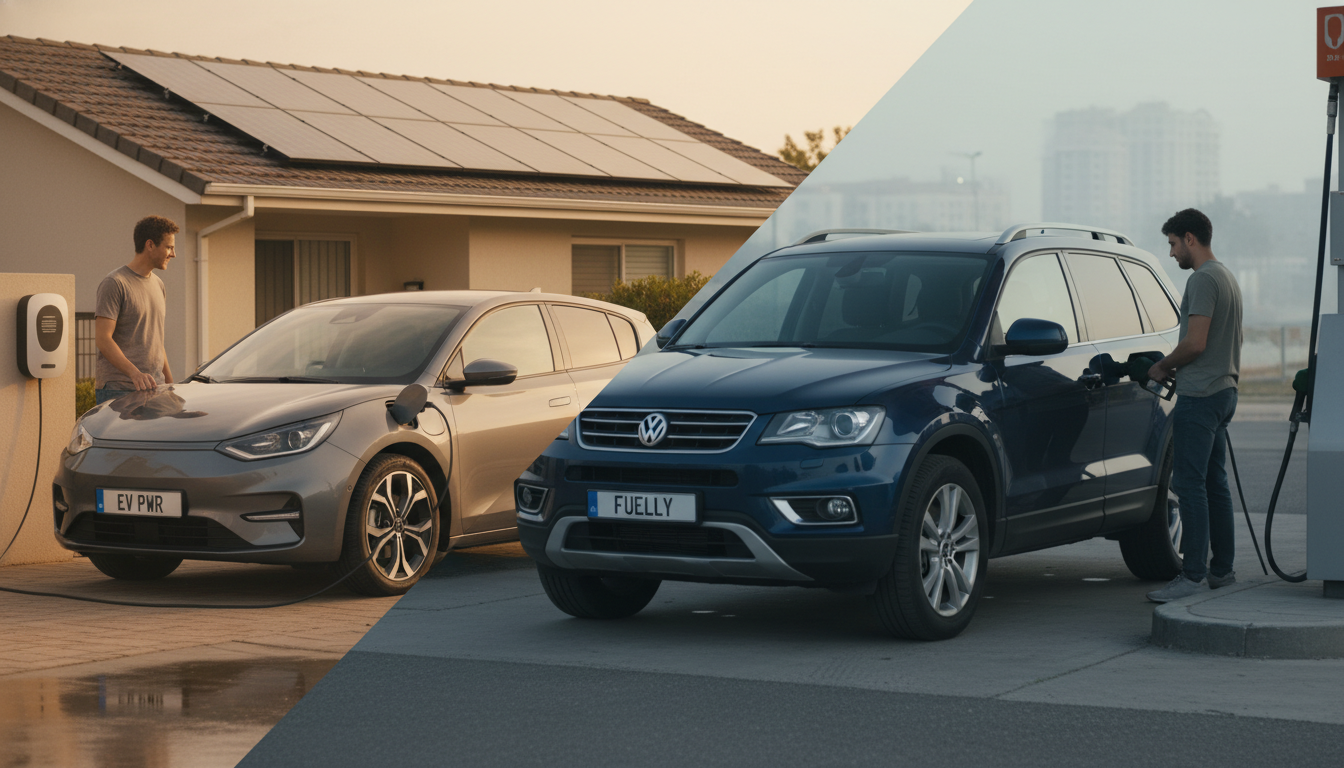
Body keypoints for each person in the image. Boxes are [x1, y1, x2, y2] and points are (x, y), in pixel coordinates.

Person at [1145, 208, 1243, 603]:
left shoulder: (1203, 280)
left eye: (1172, 244)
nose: (1171, 254)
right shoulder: (1227, 277)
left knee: (1188, 484)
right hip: (1224, 390)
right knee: (1214, 482)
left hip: (1201, 397)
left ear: (1190, 238)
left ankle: (1192, 574)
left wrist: (1162, 366)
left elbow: (1196, 342)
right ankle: (1222, 571)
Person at [94, 215, 178, 405]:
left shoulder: (159, 284)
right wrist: (135, 374)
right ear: (150, 245)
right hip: (119, 389)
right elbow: (103, 339)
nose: (173, 254)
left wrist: (170, 382)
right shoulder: (115, 283)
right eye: (169, 247)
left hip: (154, 388)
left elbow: (156, 341)